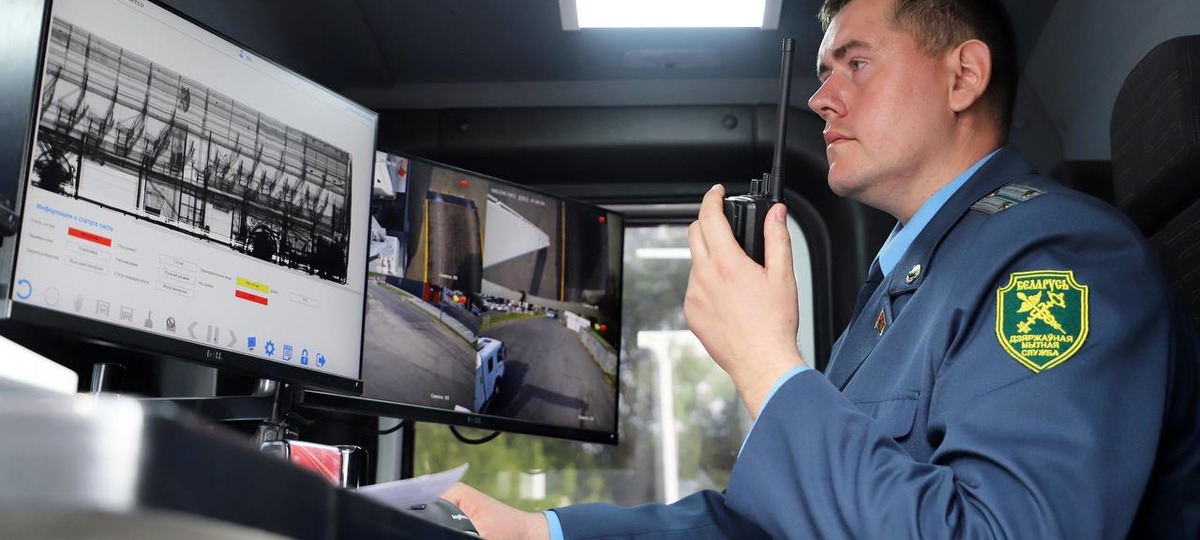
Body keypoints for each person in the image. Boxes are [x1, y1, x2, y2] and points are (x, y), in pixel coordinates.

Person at [444, 0, 1200, 537]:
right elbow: (776, 527)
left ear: (963, 77)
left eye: (856, 64)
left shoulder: (1057, 257)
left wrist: (767, 364)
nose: (820, 99)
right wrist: (544, 532)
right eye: (821, 71)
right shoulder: (904, 289)